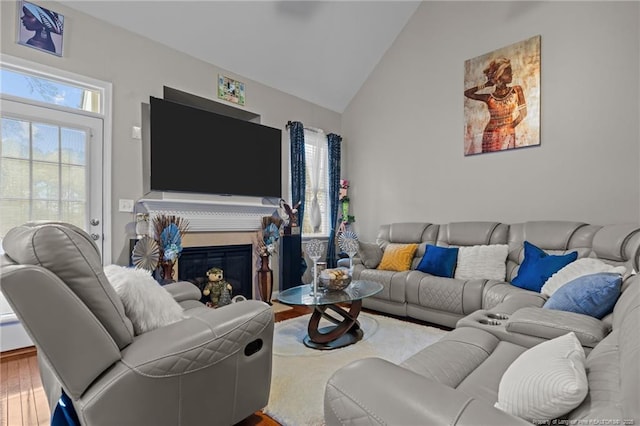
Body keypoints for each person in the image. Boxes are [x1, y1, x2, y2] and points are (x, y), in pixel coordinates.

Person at [464, 57, 527, 153]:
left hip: (508, 133)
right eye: (508, 72)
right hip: (491, 135)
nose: (511, 74)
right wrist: (485, 85)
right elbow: (467, 93)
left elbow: (523, 113)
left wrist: (509, 128)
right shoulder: (490, 97)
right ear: (499, 75)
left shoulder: (516, 90)